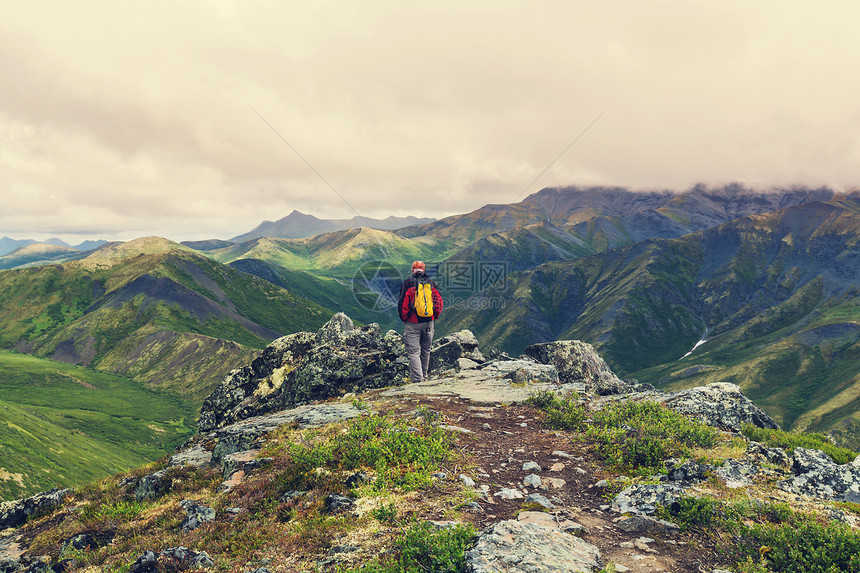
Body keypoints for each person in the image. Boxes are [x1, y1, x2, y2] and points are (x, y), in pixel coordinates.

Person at [398, 260, 443, 383]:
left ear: (412, 270)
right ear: (424, 269)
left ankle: (418, 381)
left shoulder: (407, 284)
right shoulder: (431, 283)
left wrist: (405, 319)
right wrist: (435, 316)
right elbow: (439, 302)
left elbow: (403, 305)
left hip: (413, 324)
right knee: (426, 350)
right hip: (429, 323)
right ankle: (425, 377)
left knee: (414, 352)